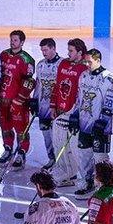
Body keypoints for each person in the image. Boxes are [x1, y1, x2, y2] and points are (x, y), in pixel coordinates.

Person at [69, 49, 113, 199]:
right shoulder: (83, 75)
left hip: (100, 127)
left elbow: (111, 103)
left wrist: (102, 121)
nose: (87, 64)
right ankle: (87, 181)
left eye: (90, 61)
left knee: (100, 157)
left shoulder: (109, 78)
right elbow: (79, 98)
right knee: (83, 154)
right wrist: (75, 115)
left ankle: (105, 184)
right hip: (84, 123)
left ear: (98, 60)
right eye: (86, 61)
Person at [50, 39, 88, 187]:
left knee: (73, 146)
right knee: (58, 143)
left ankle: (77, 174)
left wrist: (76, 113)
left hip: (73, 112)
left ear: (80, 52)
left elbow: (83, 93)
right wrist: (53, 105)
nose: (68, 53)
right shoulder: (64, 63)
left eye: (71, 50)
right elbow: (57, 84)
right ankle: (64, 171)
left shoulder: (85, 68)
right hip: (60, 110)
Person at [0, 30, 36, 170]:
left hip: (18, 102)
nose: (12, 42)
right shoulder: (3, 55)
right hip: (2, 100)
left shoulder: (27, 59)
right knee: (5, 126)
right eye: (11, 39)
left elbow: (30, 82)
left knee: (21, 128)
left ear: (22, 42)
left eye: (15, 40)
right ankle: (8, 148)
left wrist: (19, 99)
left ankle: (21, 152)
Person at [33, 38, 62, 168]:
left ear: (53, 48)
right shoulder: (40, 65)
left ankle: (61, 162)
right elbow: (38, 85)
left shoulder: (62, 65)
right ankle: (51, 158)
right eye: (42, 50)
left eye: (46, 50)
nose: (43, 52)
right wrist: (34, 101)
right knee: (46, 135)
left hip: (56, 108)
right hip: (43, 107)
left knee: (57, 136)